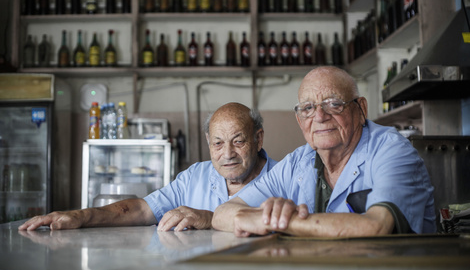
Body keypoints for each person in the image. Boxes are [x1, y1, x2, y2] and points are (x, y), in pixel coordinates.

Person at [212, 66, 436, 238]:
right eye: (308, 108)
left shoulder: (392, 150)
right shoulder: (297, 162)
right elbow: (222, 214)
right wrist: (258, 216)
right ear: (300, 121)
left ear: (361, 110)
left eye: (333, 104)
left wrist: (280, 221)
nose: (319, 117)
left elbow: (376, 226)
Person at [19, 102, 277, 232]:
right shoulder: (195, 176)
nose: (227, 154)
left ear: (258, 139)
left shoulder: (284, 178)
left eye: (239, 141)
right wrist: (82, 216)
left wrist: (210, 220)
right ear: (209, 143)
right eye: (218, 143)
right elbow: (142, 209)